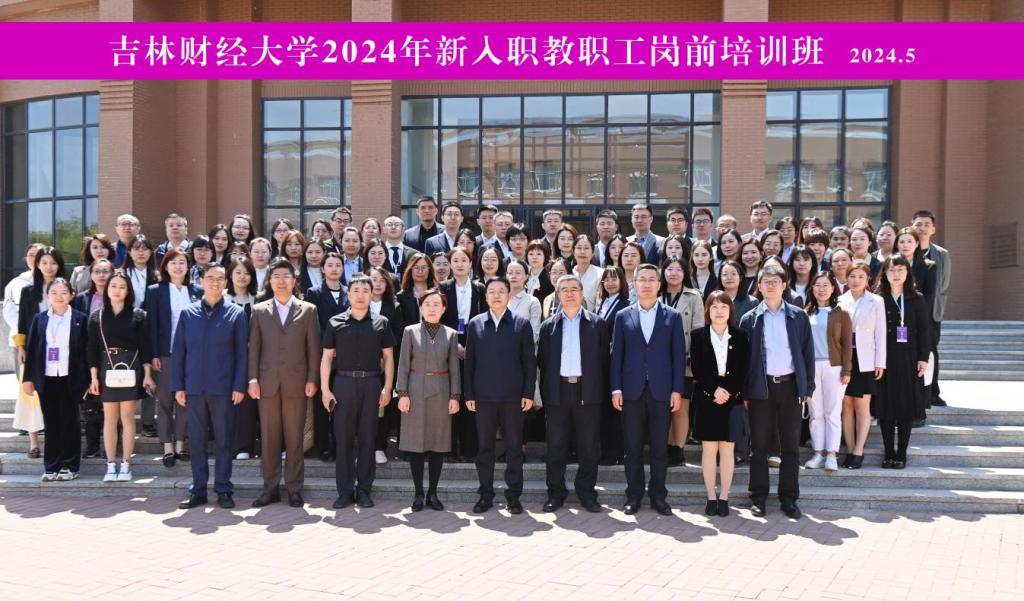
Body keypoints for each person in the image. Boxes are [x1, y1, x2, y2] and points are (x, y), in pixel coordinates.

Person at [738, 263, 815, 519]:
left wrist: (808, 387)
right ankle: (758, 497)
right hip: (761, 388)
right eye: (766, 282)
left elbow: (808, 354)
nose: (770, 286)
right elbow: (744, 361)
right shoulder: (750, 319)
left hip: (791, 387)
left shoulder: (798, 316)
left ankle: (789, 498)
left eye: (775, 282)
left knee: (790, 446)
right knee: (759, 446)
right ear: (759, 286)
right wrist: (746, 392)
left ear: (784, 285)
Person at [610, 263, 685, 516]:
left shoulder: (672, 316)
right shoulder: (623, 316)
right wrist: (616, 388)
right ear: (634, 284)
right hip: (630, 391)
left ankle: (658, 496)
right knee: (632, 448)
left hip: (662, 392)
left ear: (659, 284)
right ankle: (633, 496)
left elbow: (678, 356)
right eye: (641, 279)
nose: (646, 284)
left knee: (659, 449)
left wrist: (677, 390)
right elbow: (616, 355)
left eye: (651, 279)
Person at [172, 264, 249, 509]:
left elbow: (242, 354)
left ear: (226, 283)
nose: (215, 283)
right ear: (202, 281)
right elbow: (179, 352)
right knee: (196, 441)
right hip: (194, 388)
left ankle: (224, 489)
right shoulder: (188, 314)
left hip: (224, 388)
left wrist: (239, 386)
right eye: (211, 278)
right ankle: (198, 490)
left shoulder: (236, 314)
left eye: (220, 279)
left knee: (224, 441)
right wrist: (178, 386)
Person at [248, 257, 321, 508]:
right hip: (267, 383)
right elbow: (254, 349)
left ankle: (294, 489)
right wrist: (253, 379)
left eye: (286, 276)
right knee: (269, 439)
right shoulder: (259, 310)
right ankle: (269, 489)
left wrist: (312, 379)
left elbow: (313, 349)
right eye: (276, 276)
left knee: (294, 439)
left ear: (294, 280)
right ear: (270, 281)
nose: (281, 281)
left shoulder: (308, 310)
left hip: (297, 383)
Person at [319, 274, 396, 509]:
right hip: (343, 384)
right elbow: (326, 357)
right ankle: (344, 492)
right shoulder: (335, 322)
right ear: (348, 294)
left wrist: (388, 388)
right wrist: (325, 389)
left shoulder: (381, 322)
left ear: (372, 294)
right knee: (342, 439)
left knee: (367, 439)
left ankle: (364, 490)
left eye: (365, 290)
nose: (361, 295)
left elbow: (388, 357)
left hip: (371, 384)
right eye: (356, 290)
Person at [464, 277, 537, 515]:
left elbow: (529, 363)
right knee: (485, 448)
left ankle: (513, 496)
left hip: (513, 398)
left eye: (501, 291)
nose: (496, 296)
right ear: (485, 297)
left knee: (514, 448)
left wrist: (528, 392)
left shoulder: (521, 324)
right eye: (491, 292)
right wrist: (469, 394)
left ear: (508, 295)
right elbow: (470, 363)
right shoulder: (475, 324)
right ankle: (485, 495)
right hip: (483, 397)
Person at [537, 274, 609, 513]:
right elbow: (544, 361)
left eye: (574, 289)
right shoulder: (548, 326)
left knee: (589, 447)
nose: (569, 293)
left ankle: (586, 492)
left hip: (587, 391)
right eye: (564, 290)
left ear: (582, 293)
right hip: (557, 391)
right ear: (558, 295)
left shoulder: (597, 324)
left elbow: (603, 360)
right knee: (556, 446)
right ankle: (555, 492)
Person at [395, 288, 460, 511]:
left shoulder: (451, 334)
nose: (432, 308)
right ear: (421, 308)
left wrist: (455, 396)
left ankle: (433, 492)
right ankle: (418, 493)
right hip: (414, 389)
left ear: (443, 309)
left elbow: (454, 368)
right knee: (416, 444)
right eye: (427, 304)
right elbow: (403, 365)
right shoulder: (410, 331)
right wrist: (402, 394)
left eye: (436, 304)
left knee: (437, 443)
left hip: (441, 390)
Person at [87, 271, 155, 483]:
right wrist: (93, 378)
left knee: (127, 417)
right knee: (109, 418)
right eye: (113, 286)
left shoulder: (138, 315)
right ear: (107, 289)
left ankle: (125, 463)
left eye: (122, 287)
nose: (117, 290)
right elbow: (92, 349)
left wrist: (147, 375)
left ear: (128, 291)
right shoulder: (97, 316)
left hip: (131, 368)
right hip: (106, 369)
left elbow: (145, 347)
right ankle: (110, 464)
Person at [21, 278, 90, 482]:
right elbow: (33, 349)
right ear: (47, 295)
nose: (59, 297)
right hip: (47, 377)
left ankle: (70, 466)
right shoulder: (40, 319)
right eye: (54, 293)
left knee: (70, 422)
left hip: (71, 377)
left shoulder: (80, 319)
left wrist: (89, 379)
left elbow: (87, 351)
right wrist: (28, 378)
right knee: (51, 423)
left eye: (63, 293)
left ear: (72, 295)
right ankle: (51, 466)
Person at [690, 291, 749, 517]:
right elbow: (698, 368)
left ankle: (724, 497)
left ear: (730, 311)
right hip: (707, 397)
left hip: (732, 398)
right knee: (709, 449)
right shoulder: (698, 336)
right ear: (707, 311)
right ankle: (710, 497)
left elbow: (743, 368)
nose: (719, 311)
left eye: (724, 307)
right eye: (714, 307)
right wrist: (713, 390)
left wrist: (729, 392)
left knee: (727, 449)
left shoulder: (740, 336)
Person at [145, 249, 202, 467]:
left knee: (185, 400)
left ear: (188, 267)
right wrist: (153, 354)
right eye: (173, 263)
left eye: (182, 263)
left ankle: (180, 443)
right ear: (166, 266)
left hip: (192, 355)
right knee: (165, 401)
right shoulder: (155, 291)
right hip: (165, 353)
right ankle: (167, 446)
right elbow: (151, 326)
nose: (178, 267)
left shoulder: (196, 291)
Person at [875, 256, 931, 468]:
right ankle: (889, 451)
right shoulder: (878, 298)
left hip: (909, 357)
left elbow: (924, 331)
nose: (896, 274)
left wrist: (923, 358)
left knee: (905, 407)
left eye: (900, 269)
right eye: (892, 270)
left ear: (908, 272)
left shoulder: (916, 298)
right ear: (884, 273)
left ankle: (902, 453)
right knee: (886, 406)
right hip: (884, 358)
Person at [15, 246, 66, 459]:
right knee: (31, 397)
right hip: (34, 350)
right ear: (37, 265)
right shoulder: (28, 292)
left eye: (53, 263)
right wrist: (21, 347)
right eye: (44, 263)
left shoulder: (65, 288)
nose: (49, 267)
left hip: (61, 351)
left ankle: (59, 441)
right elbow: (22, 323)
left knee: (56, 397)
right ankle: (34, 442)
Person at [838, 261, 887, 470]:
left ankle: (859, 450)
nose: (856, 280)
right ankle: (849, 449)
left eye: (860, 276)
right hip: (844, 358)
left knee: (862, 406)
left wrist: (880, 362)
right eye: (852, 276)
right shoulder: (839, 300)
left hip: (866, 359)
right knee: (846, 407)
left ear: (867, 279)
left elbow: (881, 333)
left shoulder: (876, 301)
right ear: (846, 278)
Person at [439, 247, 486, 462]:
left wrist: (472, 347)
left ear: (470, 263)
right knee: (451, 397)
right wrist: (455, 346)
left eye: (463, 260)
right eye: (455, 260)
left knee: (471, 398)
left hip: (475, 344)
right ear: (450, 264)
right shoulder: (443, 288)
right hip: (449, 344)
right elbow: (438, 320)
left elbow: (485, 318)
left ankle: (470, 450)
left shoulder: (480, 288)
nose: (459, 264)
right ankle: (449, 450)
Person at [802, 272, 852, 473]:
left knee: (832, 412)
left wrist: (847, 370)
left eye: (825, 285)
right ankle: (818, 453)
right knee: (816, 413)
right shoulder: (805, 313)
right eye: (817, 285)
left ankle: (831, 454)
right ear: (812, 289)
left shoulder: (842, 313)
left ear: (833, 289)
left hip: (834, 367)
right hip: (811, 368)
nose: (821, 289)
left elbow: (847, 345)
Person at [303, 252, 350, 461]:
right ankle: (322, 445)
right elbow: (313, 324)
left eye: (338, 265)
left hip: (346, 356)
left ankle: (340, 446)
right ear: (322, 268)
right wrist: (330, 344)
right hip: (322, 354)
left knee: (342, 403)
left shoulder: (349, 291)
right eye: (329, 265)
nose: (334, 269)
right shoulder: (313, 293)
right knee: (322, 404)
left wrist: (342, 344)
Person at [659, 257, 705, 466]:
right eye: (670, 269)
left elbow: (698, 330)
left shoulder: (694, 296)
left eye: (679, 269)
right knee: (662, 406)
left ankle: (678, 449)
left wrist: (692, 357)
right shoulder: (656, 294)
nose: (674, 273)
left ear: (685, 273)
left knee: (681, 406)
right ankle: (665, 447)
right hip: (659, 362)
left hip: (684, 360)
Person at [913, 209, 950, 407]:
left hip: (932, 312)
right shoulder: (907, 248)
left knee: (931, 350)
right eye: (918, 224)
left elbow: (943, 284)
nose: (922, 228)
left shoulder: (941, 254)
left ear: (933, 229)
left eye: (927, 224)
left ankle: (933, 392)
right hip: (909, 311)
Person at [225, 258, 259, 460]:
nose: (242, 277)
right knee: (227, 401)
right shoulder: (222, 298)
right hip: (226, 358)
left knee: (247, 403)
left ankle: (244, 446)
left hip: (252, 357)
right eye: (238, 272)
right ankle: (228, 444)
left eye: (246, 273)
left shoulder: (258, 299)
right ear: (230, 275)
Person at [596, 266, 630, 466]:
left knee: (615, 411)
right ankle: (606, 450)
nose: (610, 283)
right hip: (601, 364)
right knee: (604, 410)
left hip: (616, 363)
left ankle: (616, 452)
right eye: (606, 279)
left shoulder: (625, 304)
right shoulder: (602, 303)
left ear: (622, 281)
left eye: (614, 278)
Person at [571, 235, 602, 310]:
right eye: (579, 248)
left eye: (586, 248)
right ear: (573, 252)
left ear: (593, 253)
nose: (582, 252)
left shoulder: (601, 274)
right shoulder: (568, 274)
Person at [382, 215, 416, 281]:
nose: (393, 227)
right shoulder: (378, 253)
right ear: (384, 230)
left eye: (397, 224)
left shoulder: (413, 254)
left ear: (403, 230)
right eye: (389, 224)